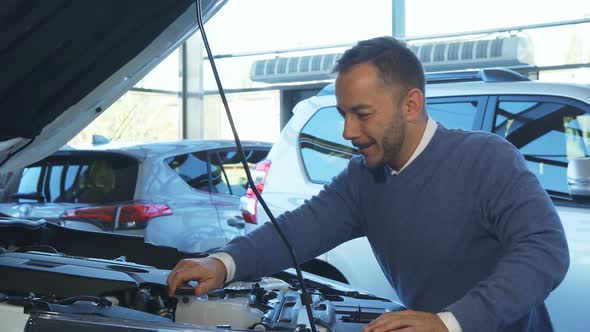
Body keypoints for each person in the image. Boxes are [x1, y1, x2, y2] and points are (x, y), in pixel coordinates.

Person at [167, 36, 569, 332]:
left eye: (361, 114)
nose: (347, 131)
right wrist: (222, 263)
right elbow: (297, 230)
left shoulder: (486, 159)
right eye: (343, 114)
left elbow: (544, 251)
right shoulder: (363, 179)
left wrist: (450, 323)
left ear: (411, 105)